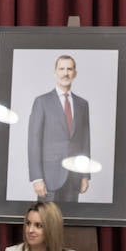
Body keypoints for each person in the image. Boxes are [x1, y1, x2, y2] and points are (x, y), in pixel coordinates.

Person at [28, 54, 92, 203]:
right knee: (47, 223)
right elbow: (34, 141)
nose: (65, 73)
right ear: (55, 72)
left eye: (69, 69)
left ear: (75, 73)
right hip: (49, 178)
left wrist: (85, 175)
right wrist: (36, 177)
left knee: (70, 224)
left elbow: (85, 141)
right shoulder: (41, 102)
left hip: (74, 177)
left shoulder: (83, 104)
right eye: (61, 69)